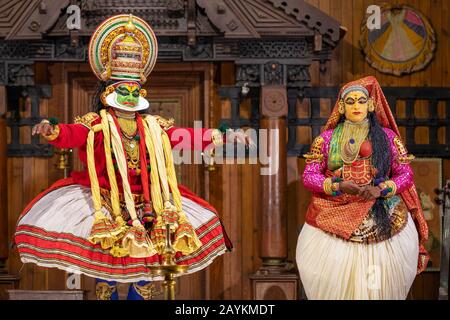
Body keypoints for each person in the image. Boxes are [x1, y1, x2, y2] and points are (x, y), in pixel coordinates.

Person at [14, 14, 249, 300]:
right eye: (122, 90)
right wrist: (52, 130)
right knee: (106, 281)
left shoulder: (153, 127)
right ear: (108, 93)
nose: (129, 96)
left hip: (147, 209)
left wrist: (223, 135)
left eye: (134, 90)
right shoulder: (96, 124)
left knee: (144, 280)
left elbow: (185, 136)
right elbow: (71, 134)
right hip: (105, 206)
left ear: (142, 92)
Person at [296, 76, 429, 300]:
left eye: (360, 101)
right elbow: (309, 177)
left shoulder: (388, 138)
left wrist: (382, 189)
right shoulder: (326, 140)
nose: (356, 106)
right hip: (333, 214)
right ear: (341, 107)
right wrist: (338, 185)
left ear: (370, 104)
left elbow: (405, 174)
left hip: (383, 214)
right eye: (350, 101)